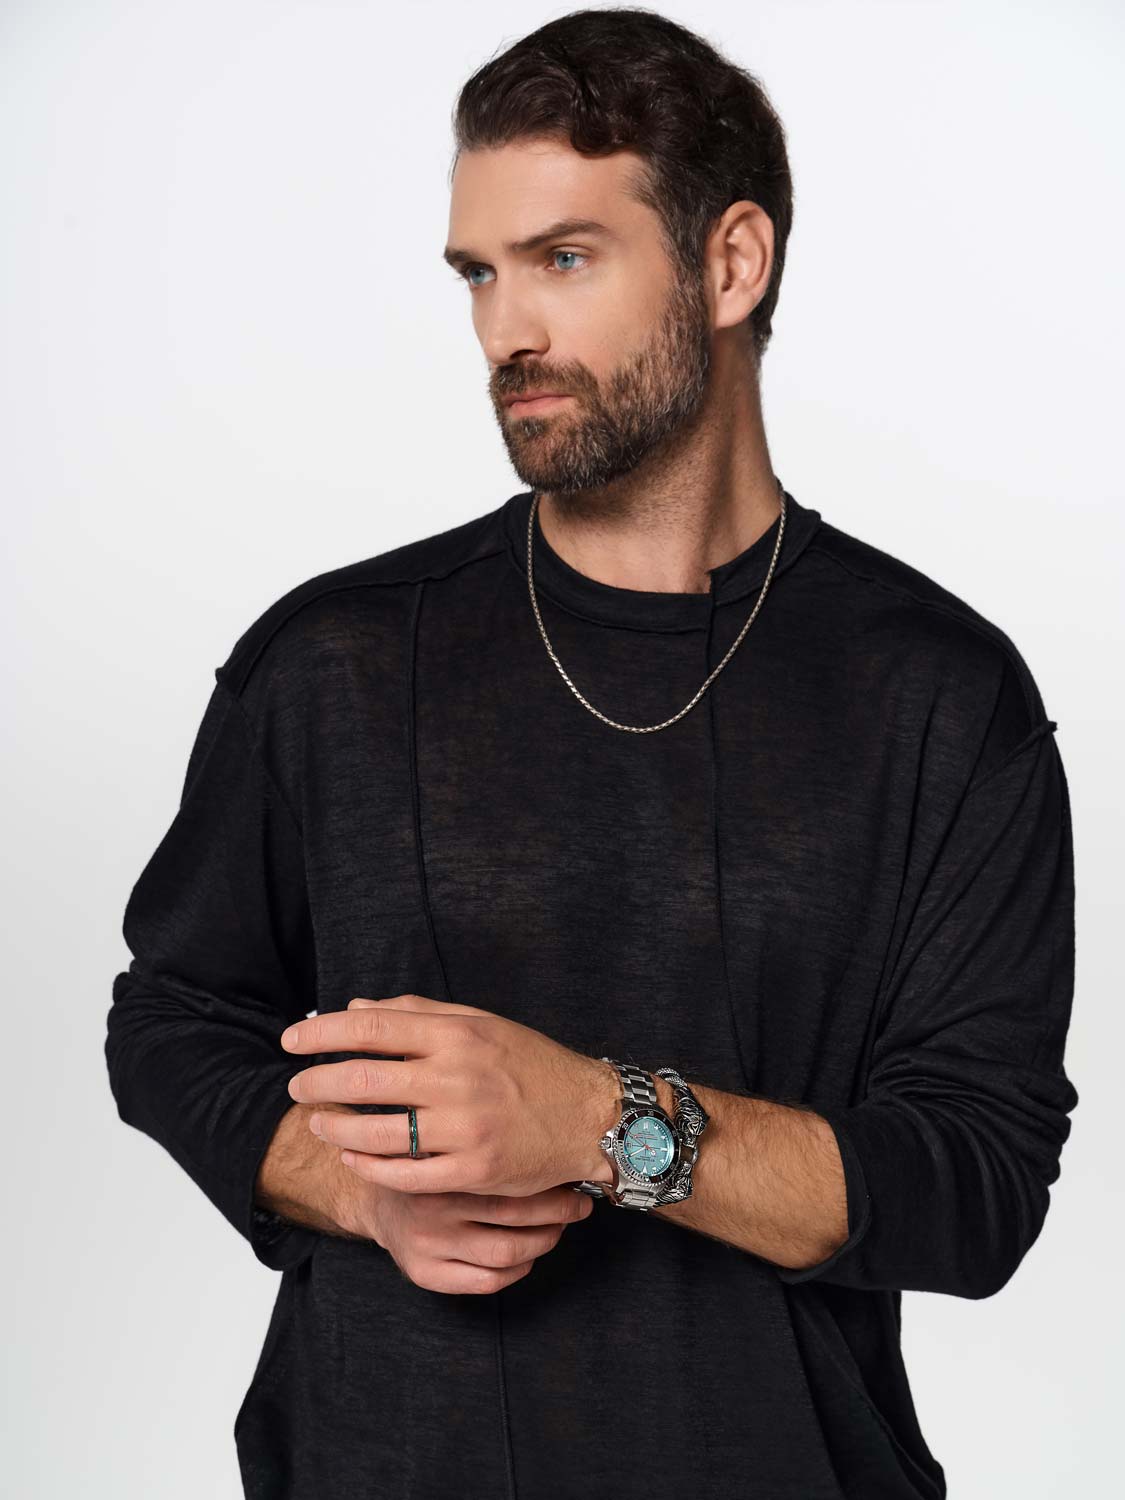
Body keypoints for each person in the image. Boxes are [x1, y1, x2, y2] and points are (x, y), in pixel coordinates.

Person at [106, 10, 1079, 1498]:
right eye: (478, 273)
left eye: (564, 258)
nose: (506, 329)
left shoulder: (939, 695)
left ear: (730, 264)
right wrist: (358, 1195)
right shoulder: (334, 660)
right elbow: (175, 1018)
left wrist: (591, 1120)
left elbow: (977, 1190)